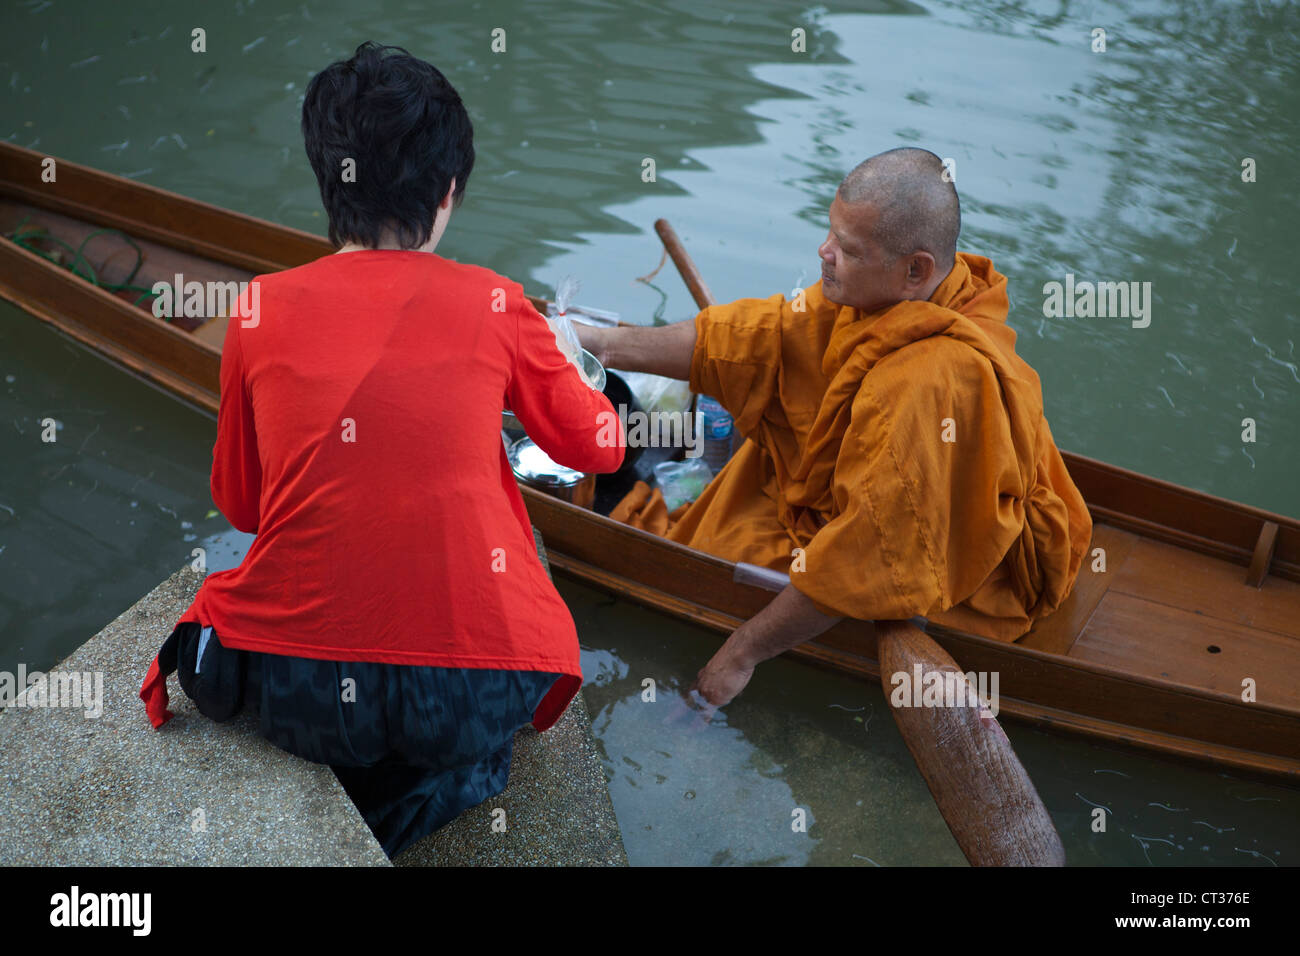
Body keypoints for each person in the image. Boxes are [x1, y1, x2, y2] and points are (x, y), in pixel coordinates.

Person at [139, 41, 623, 858]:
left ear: (329, 181)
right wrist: (573, 373)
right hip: (475, 693)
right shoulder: (498, 304)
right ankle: (445, 781)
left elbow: (246, 506)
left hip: (302, 697)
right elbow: (601, 449)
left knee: (217, 635)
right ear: (448, 193)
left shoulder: (257, 311)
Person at [577, 147, 1091, 708]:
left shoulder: (924, 383)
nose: (824, 253)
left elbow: (868, 555)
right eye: (830, 233)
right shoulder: (911, 291)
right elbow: (757, 339)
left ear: (916, 269)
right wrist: (601, 344)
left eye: (846, 248)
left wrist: (740, 654)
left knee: (697, 538)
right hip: (866, 513)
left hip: (937, 573)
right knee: (743, 460)